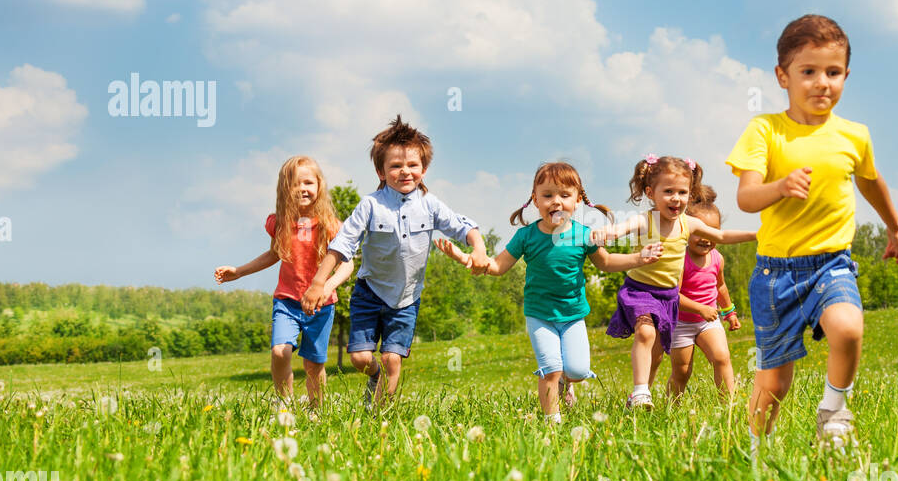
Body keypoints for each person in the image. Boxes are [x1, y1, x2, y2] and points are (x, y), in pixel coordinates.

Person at [725, 14, 898, 452]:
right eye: (808, 72)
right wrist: (781, 186)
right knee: (775, 380)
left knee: (848, 329)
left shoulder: (854, 135)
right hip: (776, 274)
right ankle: (756, 451)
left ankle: (834, 413)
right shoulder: (765, 130)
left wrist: (894, 226)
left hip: (832, 262)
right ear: (783, 76)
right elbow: (746, 198)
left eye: (834, 72)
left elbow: (869, 180)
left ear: (846, 75)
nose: (822, 82)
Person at [434, 161, 661, 423]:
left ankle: (568, 381)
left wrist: (639, 258)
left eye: (565, 195)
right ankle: (552, 422)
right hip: (539, 314)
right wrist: (465, 258)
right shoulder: (525, 236)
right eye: (548, 195)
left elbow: (607, 262)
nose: (556, 202)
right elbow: (496, 266)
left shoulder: (584, 235)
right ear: (535, 200)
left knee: (576, 370)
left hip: (573, 314)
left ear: (577, 201)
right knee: (550, 368)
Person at [301, 116, 490, 406]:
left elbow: (463, 227)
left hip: (406, 298)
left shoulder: (430, 205)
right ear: (380, 170)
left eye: (413, 165)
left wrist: (478, 249)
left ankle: (378, 415)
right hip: (370, 292)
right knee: (360, 358)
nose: (405, 172)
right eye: (396, 166)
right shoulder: (371, 205)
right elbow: (342, 244)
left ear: (424, 169)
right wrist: (318, 283)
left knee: (392, 358)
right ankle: (373, 376)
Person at [590, 155, 756, 410]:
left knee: (672, 356)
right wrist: (606, 234)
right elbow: (621, 229)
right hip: (640, 291)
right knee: (645, 334)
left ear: (690, 195)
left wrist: (757, 234)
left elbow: (721, 235)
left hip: (668, 298)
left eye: (682, 192)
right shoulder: (645, 221)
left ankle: (725, 407)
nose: (676, 198)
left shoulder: (688, 223)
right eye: (668, 191)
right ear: (650, 192)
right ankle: (640, 392)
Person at [214, 155, 353, 411]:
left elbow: (347, 264)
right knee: (280, 351)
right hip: (287, 301)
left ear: (319, 186)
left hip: (321, 306)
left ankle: (316, 411)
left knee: (313, 365)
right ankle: (285, 406)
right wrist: (239, 271)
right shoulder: (279, 223)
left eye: (308, 182)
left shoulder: (331, 226)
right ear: (284, 189)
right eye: (295, 183)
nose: (302, 188)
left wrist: (327, 286)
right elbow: (274, 254)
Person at [667, 192, 742, 401]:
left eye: (713, 232)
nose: (707, 238)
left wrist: (729, 313)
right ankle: (672, 406)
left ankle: (728, 405)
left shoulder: (717, 258)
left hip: (708, 322)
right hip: (681, 322)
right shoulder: (680, 259)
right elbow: (673, 296)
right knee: (682, 372)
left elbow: (720, 287)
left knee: (722, 358)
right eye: (700, 231)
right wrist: (700, 309)